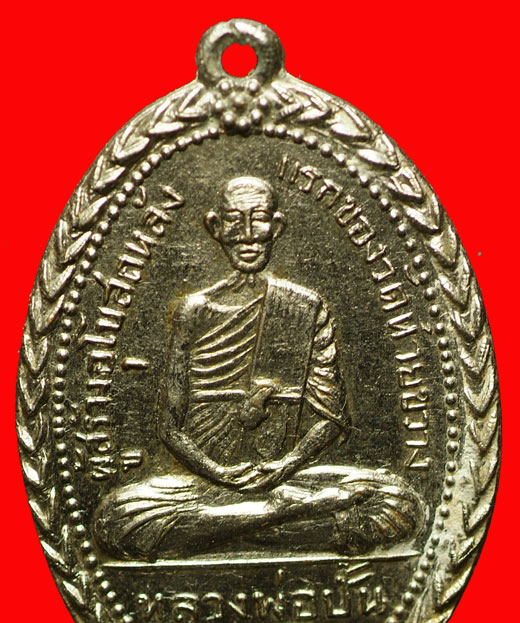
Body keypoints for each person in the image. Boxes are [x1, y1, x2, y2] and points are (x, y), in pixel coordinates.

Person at [93, 176, 424, 560]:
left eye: (260, 219)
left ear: (276, 226)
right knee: (117, 520)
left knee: (398, 505)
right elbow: (170, 428)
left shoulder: (306, 306)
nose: (248, 235)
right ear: (216, 227)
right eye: (235, 221)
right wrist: (220, 473)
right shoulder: (193, 311)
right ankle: (286, 515)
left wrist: (284, 465)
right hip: (205, 483)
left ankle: (231, 528)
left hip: (286, 476)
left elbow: (331, 420)